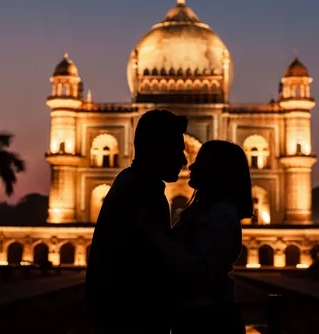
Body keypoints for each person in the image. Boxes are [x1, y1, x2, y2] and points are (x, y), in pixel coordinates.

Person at [85, 109, 188, 333]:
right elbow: (159, 257)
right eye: (177, 150)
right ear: (156, 150)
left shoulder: (133, 182)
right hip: (130, 318)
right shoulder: (141, 191)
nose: (184, 160)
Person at [141, 140, 252, 334]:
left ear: (218, 170)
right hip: (200, 312)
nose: (190, 165)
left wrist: (157, 236)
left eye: (200, 162)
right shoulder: (209, 210)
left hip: (207, 317)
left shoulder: (220, 214)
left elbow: (199, 270)